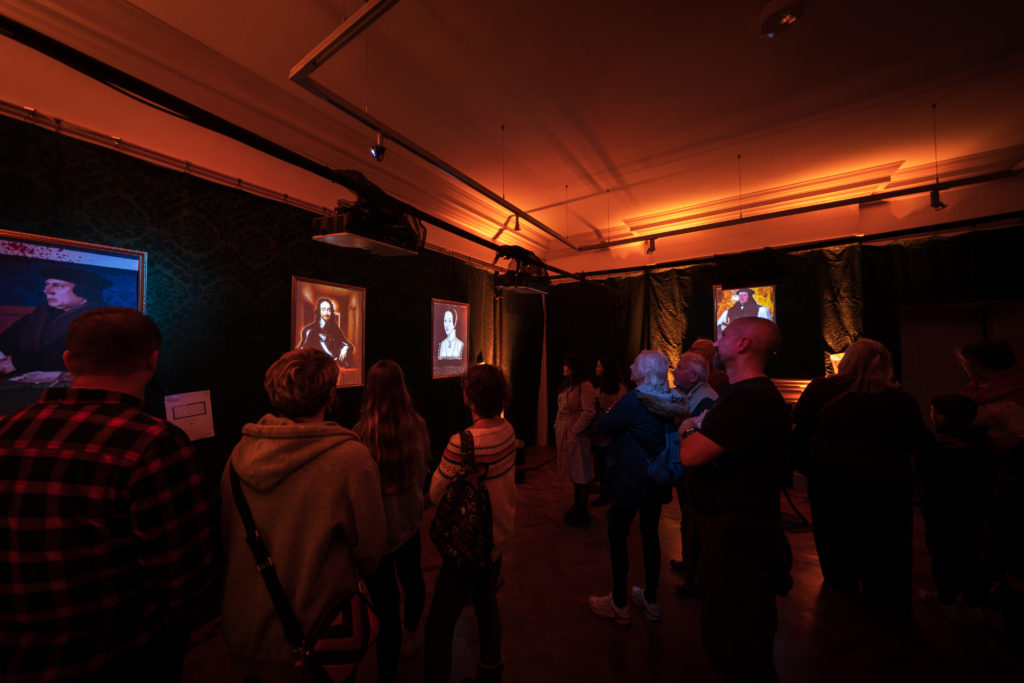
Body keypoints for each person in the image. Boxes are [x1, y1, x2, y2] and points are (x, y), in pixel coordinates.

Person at [0, 307, 217, 680]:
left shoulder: (7, 431)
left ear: (67, 359)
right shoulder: (154, 443)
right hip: (119, 653)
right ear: (153, 360)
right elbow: (185, 574)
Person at [220, 348, 387, 681]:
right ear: (330, 395)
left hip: (245, 631)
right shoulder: (350, 460)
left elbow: (228, 539)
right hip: (316, 635)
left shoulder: (238, 455)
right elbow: (370, 551)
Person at [679, 317, 793, 682]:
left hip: (740, 541)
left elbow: (690, 455)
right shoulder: (741, 394)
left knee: (738, 642)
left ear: (743, 344)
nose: (717, 340)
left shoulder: (750, 397)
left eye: (725, 334)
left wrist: (691, 429)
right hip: (732, 535)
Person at [791, 338, 928, 616]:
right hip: (886, 481)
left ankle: (840, 588)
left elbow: (800, 434)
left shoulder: (821, 390)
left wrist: (811, 469)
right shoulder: (898, 399)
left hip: (831, 480)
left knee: (835, 535)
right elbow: (918, 440)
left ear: (847, 361)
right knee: (885, 542)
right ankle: (883, 598)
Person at [424, 364, 516, 683]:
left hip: (468, 544)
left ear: (469, 398)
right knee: (487, 603)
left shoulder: (462, 443)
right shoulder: (508, 431)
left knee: (439, 623)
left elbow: (436, 492)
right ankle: (490, 668)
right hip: (498, 539)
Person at [588, 350, 687, 626]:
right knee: (650, 537)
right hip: (657, 478)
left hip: (629, 478)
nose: (630, 366)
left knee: (618, 536)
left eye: (635, 364)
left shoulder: (634, 400)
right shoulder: (669, 398)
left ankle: (619, 603)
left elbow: (605, 424)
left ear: (642, 372)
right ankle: (651, 600)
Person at [353, 360, 430, 680]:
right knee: (413, 580)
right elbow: (424, 470)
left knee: (384, 606)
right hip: (409, 524)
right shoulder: (417, 424)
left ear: (370, 390)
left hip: (379, 534)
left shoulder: (360, 435)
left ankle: (387, 670)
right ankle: (412, 635)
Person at [918, 394, 994, 612]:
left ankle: (947, 599)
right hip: (975, 508)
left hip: (940, 510)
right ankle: (974, 602)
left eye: (932, 410)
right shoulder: (983, 442)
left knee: (943, 555)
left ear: (941, 418)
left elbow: (924, 474)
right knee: (972, 554)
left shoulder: (936, 444)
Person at [669, 351, 719, 597]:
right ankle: (690, 566)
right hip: (689, 470)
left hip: (698, 473)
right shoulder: (694, 394)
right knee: (688, 520)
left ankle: (695, 577)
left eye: (679, 368)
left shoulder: (706, 399)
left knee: (694, 523)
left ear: (693, 375)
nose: (675, 372)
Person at [0, 264, 110, 375]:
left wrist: (17, 362)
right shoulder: (37, 316)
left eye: (57, 285)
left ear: (83, 291)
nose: (47, 290)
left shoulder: (99, 321)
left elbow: (64, 358)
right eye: (47, 284)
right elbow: (4, 342)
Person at [957, 339, 1024, 454]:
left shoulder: (1013, 399)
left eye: (964, 361)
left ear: (978, 366)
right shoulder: (978, 387)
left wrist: (974, 445)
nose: (962, 365)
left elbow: (1020, 441)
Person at [555, 352, 598, 526]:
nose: (563, 367)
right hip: (565, 432)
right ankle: (577, 505)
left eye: (566, 365)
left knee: (581, 471)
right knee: (573, 471)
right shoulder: (567, 385)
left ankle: (582, 510)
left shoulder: (585, 386)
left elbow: (589, 411)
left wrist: (574, 431)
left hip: (576, 434)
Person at [591, 355, 627, 507]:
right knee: (601, 465)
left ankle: (613, 496)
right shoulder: (599, 385)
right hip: (600, 432)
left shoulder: (619, 388)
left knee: (611, 466)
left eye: (599, 366)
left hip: (613, 433)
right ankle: (604, 492)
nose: (596, 369)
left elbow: (622, 410)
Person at [297, 297, 353, 366]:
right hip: (319, 368)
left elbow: (349, 345)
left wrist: (345, 347)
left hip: (335, 366)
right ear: (319, 311)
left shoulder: (336, 329)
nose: (326, 313)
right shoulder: (310, 330)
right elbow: (301, 350)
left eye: (329, 310)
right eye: (323, 310)